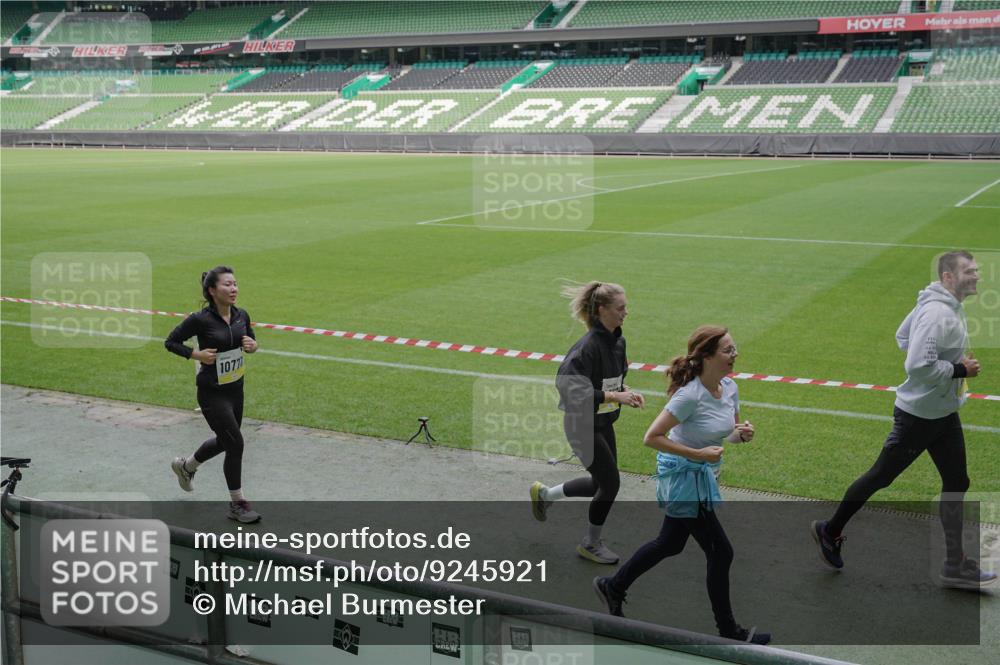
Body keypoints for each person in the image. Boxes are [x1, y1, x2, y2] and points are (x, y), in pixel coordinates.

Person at [811, 251, 996, 589]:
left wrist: (945, 364)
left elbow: (902, 336)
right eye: (969, 271)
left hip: (942, 412)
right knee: (881, 475)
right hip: (919, 417)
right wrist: (959, 369)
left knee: (958, 482)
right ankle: (830, 530)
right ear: (948, 278)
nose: (977, 276)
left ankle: (954, 564)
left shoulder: (942, 306)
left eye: (977, 270)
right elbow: (916, 365)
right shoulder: (938, 313)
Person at [593, 325, 771, 645]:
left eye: (734, 348)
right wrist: (697, 454)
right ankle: (730, 631)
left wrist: (741, 435)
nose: (735, 355)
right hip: (683, 476)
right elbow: (652, 438)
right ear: (706, 356)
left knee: (670, 542)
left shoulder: (729, 387)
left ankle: (614, 586)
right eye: (728, 350)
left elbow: (726, 432)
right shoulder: (689, 396)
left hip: (702, 473)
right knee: (721, 552)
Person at [530, 281, 644, 564]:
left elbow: (611, 379)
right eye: (620, 308)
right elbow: (568, 387)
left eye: (625, 307)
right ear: (602, 310)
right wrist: (614, 395)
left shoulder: (618, 340)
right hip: (581, 425)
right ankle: (590, 544)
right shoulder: (587, 347)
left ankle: (545, 495)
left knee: (599, 484)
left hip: (602, 422)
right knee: (611, 484)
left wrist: (625, 392)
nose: (625, 312)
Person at [165, 265, 261, 524]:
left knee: (226, 441)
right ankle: (238, 504)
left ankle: (186, 467)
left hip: (236, 390)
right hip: (211, 394)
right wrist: (196, 354)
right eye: (227, 285)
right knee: (236, 443)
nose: (234, 289)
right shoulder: (200, 320)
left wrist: (253, 346)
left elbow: (250, 340)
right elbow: (171, 342)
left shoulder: (242, 315)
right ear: (212, 290)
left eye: (235, 284)